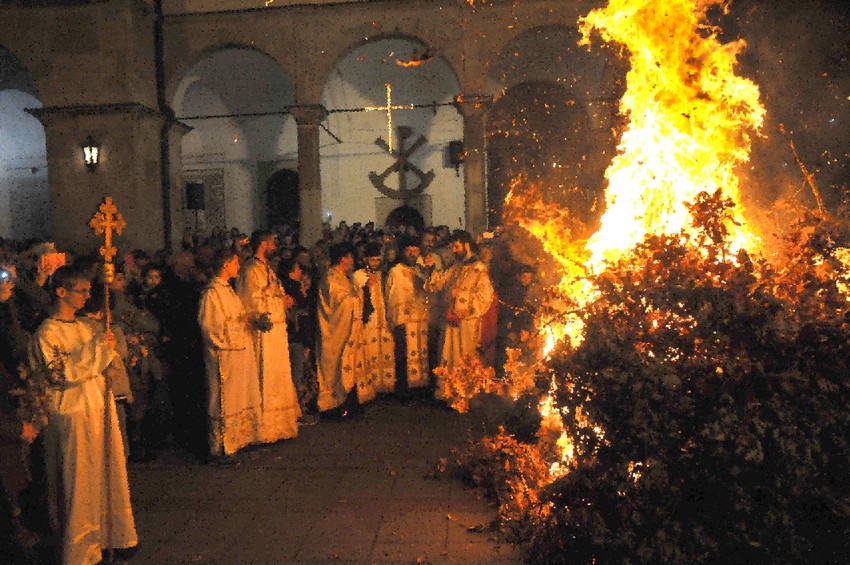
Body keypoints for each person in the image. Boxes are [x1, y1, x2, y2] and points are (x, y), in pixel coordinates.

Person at [28, 266, 137, 565]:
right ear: (61, 291)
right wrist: (99, 351)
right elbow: (62, 374)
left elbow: (102, 363)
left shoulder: (84, 328)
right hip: (71, 413)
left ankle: (111, 536)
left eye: (90, 290)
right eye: (82, 291)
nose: (88, 296)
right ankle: (80, 549)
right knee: (77, 481)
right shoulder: (46, 333)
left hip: (97, 407)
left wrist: (108, 352)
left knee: (105, 473)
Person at [198, 247, 262, 459]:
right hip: (222, 358)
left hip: (236, 356)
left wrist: (249, 319)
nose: (238, 267)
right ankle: (220, 448)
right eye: (235, 263)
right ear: (226, 265)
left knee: (238, 398)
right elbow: (211, 328)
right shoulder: (212, 294)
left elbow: (236, 317)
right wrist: (239, 323)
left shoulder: (228, 290)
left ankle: (238, 440)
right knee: (221, 401)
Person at [236, 230, 300, 442]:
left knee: (278, 376)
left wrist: (283, 299)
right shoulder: (251, 270)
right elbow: (252, 304)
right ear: (263, 244)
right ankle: (265, 428)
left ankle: (280, 425)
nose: (275, 246)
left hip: (276, 333)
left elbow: (272, 293)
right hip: (264, 335)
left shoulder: (266, 268)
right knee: (266, 376)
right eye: (272, 242)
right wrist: (279, 303)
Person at [425, 230, 495, 396]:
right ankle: (449, 393)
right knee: (449, 354)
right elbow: (438, 285)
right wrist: (431, 269)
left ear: (466, 245)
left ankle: (465, 395)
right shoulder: (457, 268)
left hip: (467, 323)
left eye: (456, 247)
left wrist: (461, 298)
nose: (454, 251)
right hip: (451, 322)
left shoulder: (478, 269)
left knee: (464, 356)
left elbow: (486, 297)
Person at [316, 242, 367, 416]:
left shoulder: (347, 277)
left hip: (350, 331)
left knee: (350, 364)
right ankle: (333, 405)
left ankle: (350, 401)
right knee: (335, 365)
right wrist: (355, 297)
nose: (354, 261)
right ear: (344, 258)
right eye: (351, 257)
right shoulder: (330, 277)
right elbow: (338, 302)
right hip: (334, 331)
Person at [386, 236, 430, 395]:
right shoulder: (395, 270)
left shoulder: (423, 269)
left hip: (422, 319)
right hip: (403, 320)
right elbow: (389, 296)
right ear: (403, 252)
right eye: (409, 250)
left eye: (415, 250)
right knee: (403, 354)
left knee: (422, 353)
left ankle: (422, 387)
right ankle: (404, 390)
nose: (412, 253)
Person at [352, 242, 395, 397]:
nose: (375, 263)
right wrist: (365, 286)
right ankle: (371, 386)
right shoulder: (358, 275)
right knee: (370, 352)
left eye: (378, 260)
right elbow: (355, 295)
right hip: (369, 321)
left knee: (385, 350)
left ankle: (386, 385)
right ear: (365, 259)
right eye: (372, 260)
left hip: (383, 319)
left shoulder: (383, 275)